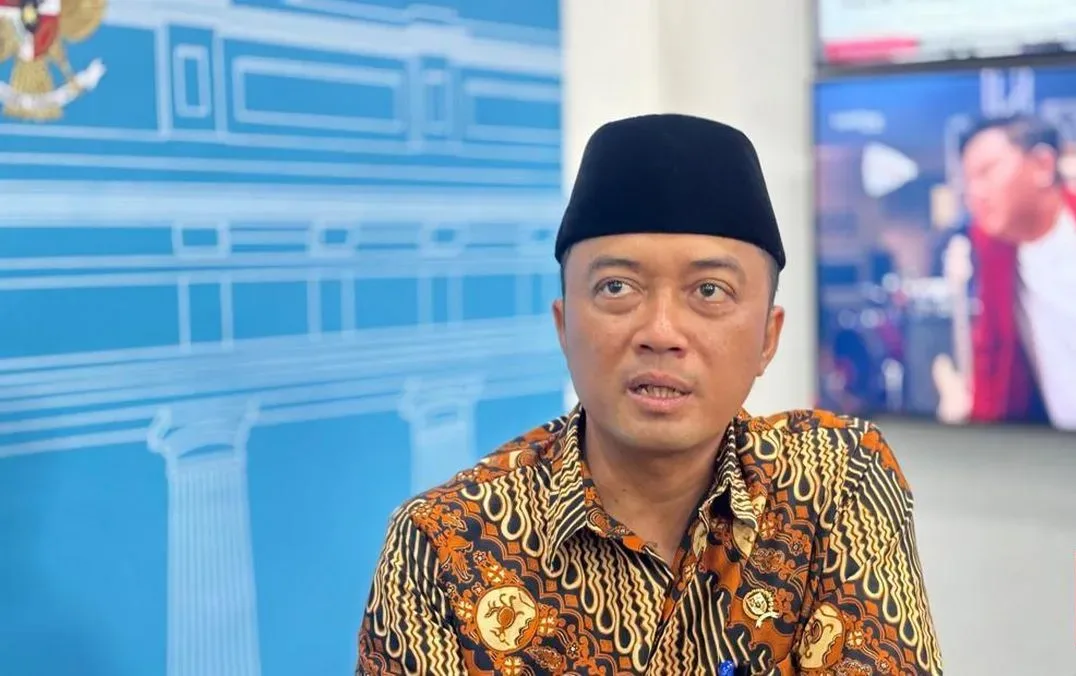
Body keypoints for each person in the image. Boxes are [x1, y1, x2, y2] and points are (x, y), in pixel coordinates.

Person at [356, 114, 944, 674]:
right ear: (564, 326)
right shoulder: (444, 544)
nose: (661, 333)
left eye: (709, 290)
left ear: (768, 338)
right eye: (617, 287)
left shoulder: (835, 481)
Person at [933, 114, 1076, 430]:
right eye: (968, 180)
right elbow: (992, 356)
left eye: (986, 171)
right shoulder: (996, 254)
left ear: (1043, 165)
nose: (975, 192)